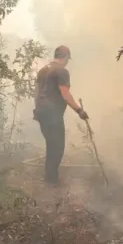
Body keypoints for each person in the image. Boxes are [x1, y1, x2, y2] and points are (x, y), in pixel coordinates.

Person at [33, 45, 89, 185]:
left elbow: (36, 93)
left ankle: (49, 178)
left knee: (51, 144)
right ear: (65, 57)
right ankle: (52, 181)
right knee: (58, 147)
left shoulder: (43, 70)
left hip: (41, 112)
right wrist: (79, 111)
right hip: (52, 113)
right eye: (68, 58)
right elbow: (65, 94)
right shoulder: (62, 72)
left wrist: (38, 109)